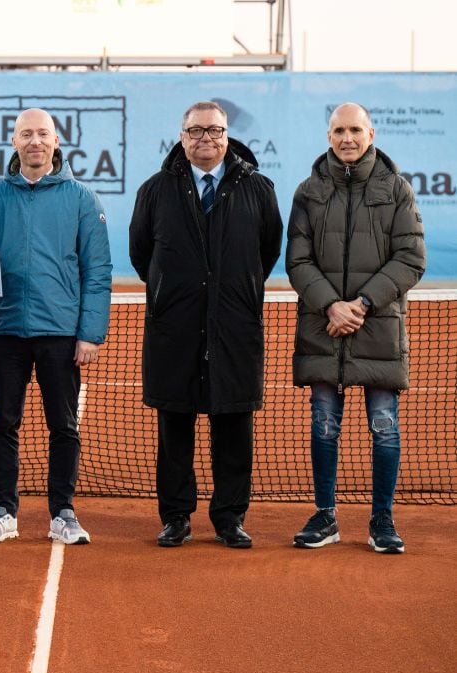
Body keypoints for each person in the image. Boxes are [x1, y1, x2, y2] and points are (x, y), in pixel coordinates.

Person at [129, 100, 283, 549]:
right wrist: (176, 293)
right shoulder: (155, 190)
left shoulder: (258, 188)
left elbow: (266, 252)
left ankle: (229, 517)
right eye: (196, 131)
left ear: (227, 135)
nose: (206, 140)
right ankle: (176, 516)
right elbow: (143, 256)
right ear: (182, 137)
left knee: (233, 424)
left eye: (214, 131)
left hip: (235, 327)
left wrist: (232, 292)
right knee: (174, 424)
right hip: (173, 328)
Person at [0, 108, 111, 546]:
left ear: (56, 140)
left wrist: (90, 332)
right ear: (14, 142)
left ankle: (63, 512)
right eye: (26, 134)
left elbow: (97, 270)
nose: (35, 141)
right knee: (2, 423)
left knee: (63, 426)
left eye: (42, 134)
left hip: (61, 332)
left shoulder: (83, 198)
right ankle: (3, 511)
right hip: (5, 327)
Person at [286, 102, 425, 554]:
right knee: (324, 424)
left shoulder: (397, 189)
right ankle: (325, 516)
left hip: (377, 328)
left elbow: (410, 258)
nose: (347, 138)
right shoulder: (308, 191)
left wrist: (361, 304)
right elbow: (298, 260)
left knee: (384, 425)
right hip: (324, 328)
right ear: (329, 136)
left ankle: (382, 519)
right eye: (339, 130)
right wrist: (330, 306)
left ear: (371, 133)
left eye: (355, 130)